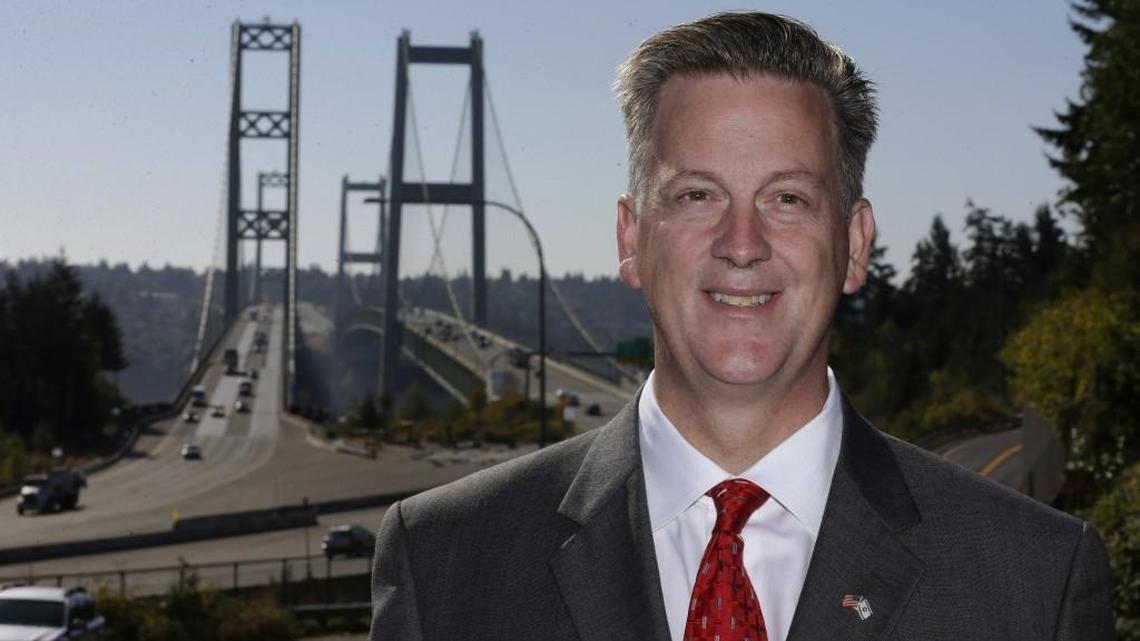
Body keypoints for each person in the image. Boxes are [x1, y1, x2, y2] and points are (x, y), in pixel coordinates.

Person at [370, 12, 1114, 641]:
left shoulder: (1037, 581)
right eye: (697, 195)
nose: (742, 244)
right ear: (631, 238)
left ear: (855, 245)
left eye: (788, 199)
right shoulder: (442, 564)